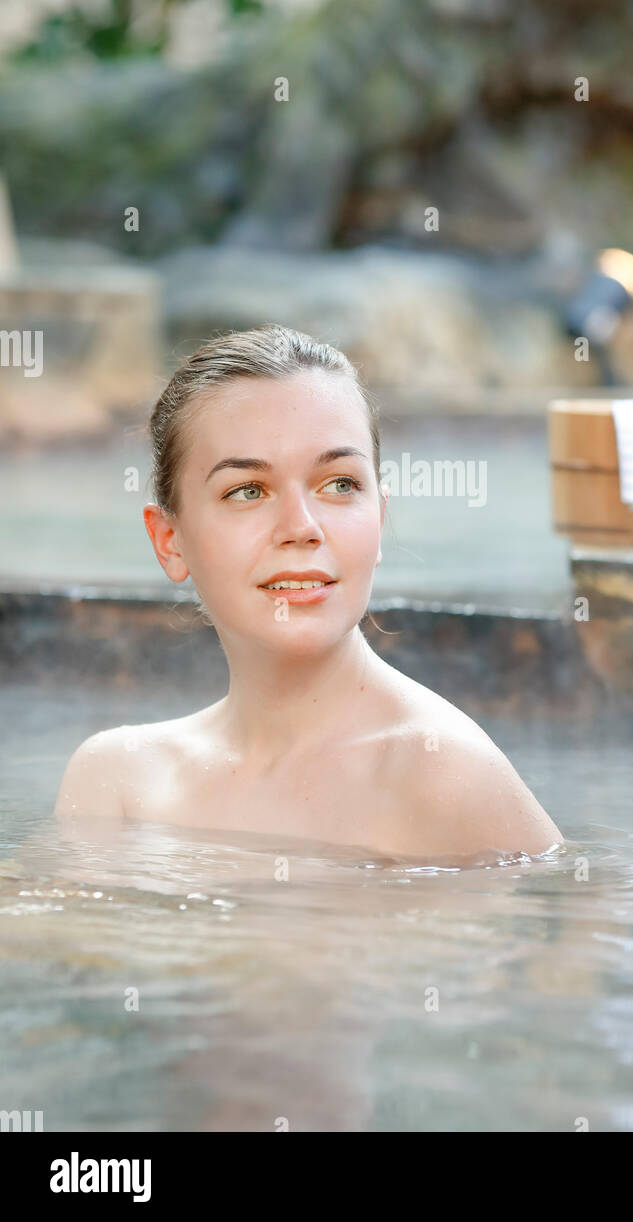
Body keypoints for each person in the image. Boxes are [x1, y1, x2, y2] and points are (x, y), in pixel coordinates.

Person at [55, 325, 563, 860]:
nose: (302, 526)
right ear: (169, 541)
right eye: (247, 490)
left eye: (340, 484)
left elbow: (579, 925)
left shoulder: (442, 776)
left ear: (381, 516)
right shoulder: (115, 784)